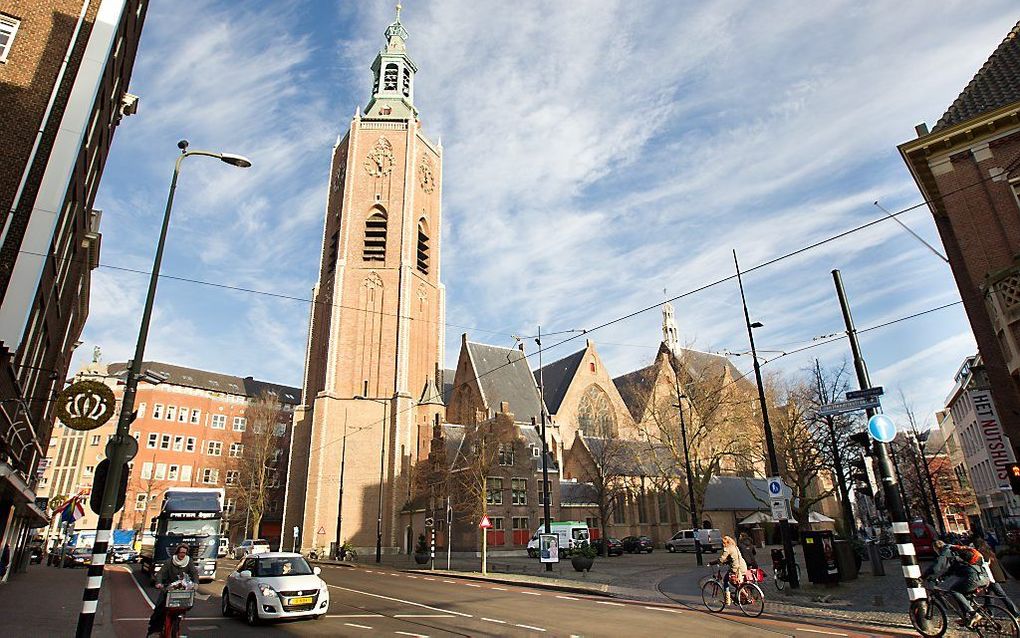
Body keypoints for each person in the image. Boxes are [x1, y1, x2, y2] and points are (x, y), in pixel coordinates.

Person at [925, 539, 989, 628]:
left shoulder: (945, 550)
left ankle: (973, 614)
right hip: (984, 577)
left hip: (974, 578)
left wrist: (924, 576)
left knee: (954, 591)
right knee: (962, 596)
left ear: (936, 548)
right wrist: (940, 578)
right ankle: (967, 618)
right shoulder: (955, 552)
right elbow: (952, 570)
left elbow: (937, 566)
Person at [147, 544, 200, 637]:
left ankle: (177, 623)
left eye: (184, 552)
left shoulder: (189, 562)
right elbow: (160, 573)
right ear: (177, 552)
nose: (182, 554)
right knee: (159, 610)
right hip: (169, 588)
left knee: (186, 604)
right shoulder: (169, 561)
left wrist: (195, 583)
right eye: (180, 552)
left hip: (182, 589)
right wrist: (159, 583)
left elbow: (194, 573)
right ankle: (153, 631)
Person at [974, 537, 1020, 616]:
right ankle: (990, 612)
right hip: (995, 576)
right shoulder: (988, 551)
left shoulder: (981, 553)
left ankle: (1015, 612)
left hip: (992, 577)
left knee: (1001, 595)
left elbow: (985, 566)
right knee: (989, 595)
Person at [709, 535, 747, 605]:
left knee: (726, 580)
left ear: (726, 543)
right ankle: (741, 593)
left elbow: (721, 559)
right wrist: (727, 562)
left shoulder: (727, 549)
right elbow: (734, 557)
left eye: (723, 543)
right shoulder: (735, 547)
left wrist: (712, 563)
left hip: (736, 568)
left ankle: (728, 600)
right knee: (737, 581)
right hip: (743, 566)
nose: (723, 544)